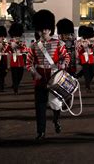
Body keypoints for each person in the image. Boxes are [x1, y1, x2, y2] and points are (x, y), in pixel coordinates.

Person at [26, 9, 71, 140]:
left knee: (56, 104)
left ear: (50, 30)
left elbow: (66, 58)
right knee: (40, 107)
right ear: (39, 30)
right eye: (42, 29)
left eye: (47, 29)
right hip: (40, 79)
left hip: (54, 77)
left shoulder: (59, 44)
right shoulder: (34, 46)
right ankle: (41, 132)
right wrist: (34, 73)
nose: (44, 31)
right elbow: (28, 63)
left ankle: (56, 120)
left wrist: (63, 64)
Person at [75, 25, 94, 91]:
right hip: (83, 58)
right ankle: (87, 86)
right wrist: (82, 46)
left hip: (90, 58)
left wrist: (93, 46)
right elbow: (77, 49)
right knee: (86, 72)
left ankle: (77, 76)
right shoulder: (79, 41)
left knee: (93, 71)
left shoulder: (89, 41)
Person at [6, 23, 28, 95]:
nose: (17, 37)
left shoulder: (21, 42)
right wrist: (13, 46)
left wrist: (21, 46)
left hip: (20, 61)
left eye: (18, 36)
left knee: (20, 75)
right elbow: (8, 51)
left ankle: (16, 84)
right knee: (14, 75)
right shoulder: (10, 42)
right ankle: (15, 88)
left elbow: (25, 50)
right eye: (16, 36)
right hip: (13, 61)